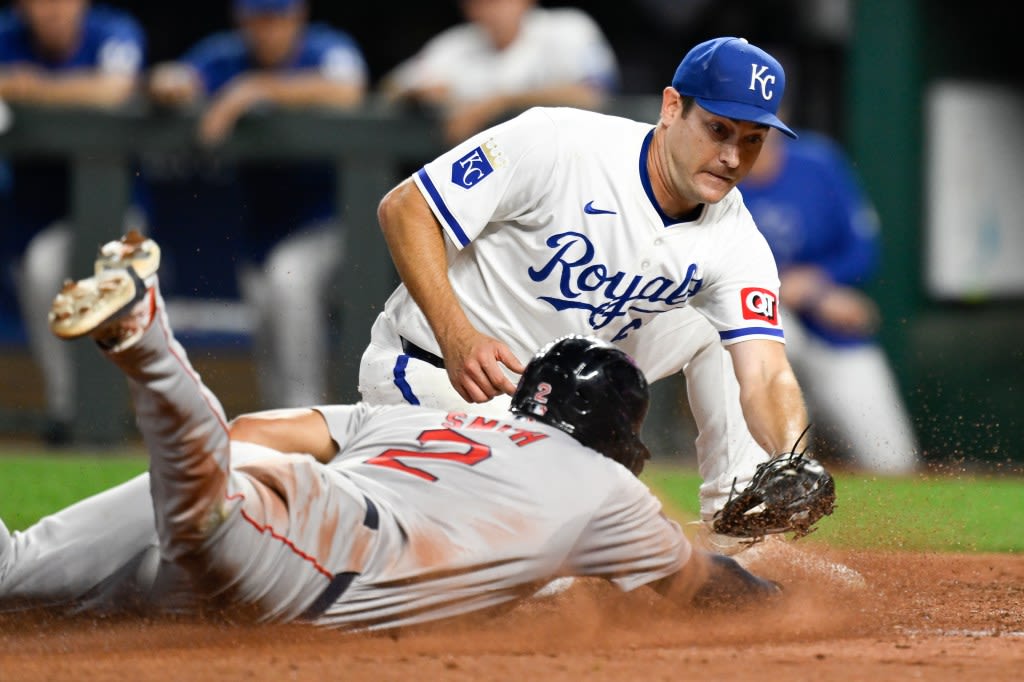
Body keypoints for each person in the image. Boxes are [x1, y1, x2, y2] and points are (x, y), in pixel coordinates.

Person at [0, 232, 780, 627]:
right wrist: (787, 594)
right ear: (615, 437)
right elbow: (703, 585)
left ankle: (190, 484)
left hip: (266, 492)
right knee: (207, 529)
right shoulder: (608, 489)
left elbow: (258, 429)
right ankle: (147, 339)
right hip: (315, 551)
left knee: (22, 572)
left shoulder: (424, 422)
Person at [359, 36, 815, 547]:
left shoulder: (736, 239)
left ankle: (738, 529)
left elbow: (766, 372)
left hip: (556, 407)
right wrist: (456, 334)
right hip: (437, 374)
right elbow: (405, 207)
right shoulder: (559, 142)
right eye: (717, 129)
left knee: (724, 326)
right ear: (671, 108)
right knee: (544, 565)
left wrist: (789, 460)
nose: (731, 156)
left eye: (752, 139)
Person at [145, 0, 367, 408]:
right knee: (267, 315)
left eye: (277, 18)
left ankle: (306, 414)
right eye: (259, 18)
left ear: (298, 16)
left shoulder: (325, 49)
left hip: (331, 219)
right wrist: (168, 82)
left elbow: (348, 89)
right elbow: (176, 78)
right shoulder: (225, 55)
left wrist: (253, 89)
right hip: (263, 225)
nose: (268, 29)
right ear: (242, 19)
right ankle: (282, 420)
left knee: (290, 282)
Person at [737, 122, 920, 475]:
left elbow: (862, 250)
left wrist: (817, 285)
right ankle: (781, 467)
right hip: (762, 323)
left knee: (893, 461)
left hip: (830, 328)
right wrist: (784, 287)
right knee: (766, 333)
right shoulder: (716, 174)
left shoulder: (817, 163)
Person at [0, 0, 145, 444]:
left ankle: (149, 413)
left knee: (134, 304)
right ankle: (69, 411)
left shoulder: (112, 28)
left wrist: (32, 88)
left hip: (116, 209)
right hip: (39, 213)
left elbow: (114, 89)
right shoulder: (8, 35)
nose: (51, 10)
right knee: (43, 266)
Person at [380, 0, 618, 144]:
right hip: (488, 182)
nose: (487, 9)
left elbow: (592, 94)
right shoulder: (455, 44)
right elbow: (390, 88)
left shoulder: (567, 28)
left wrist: (498, 102)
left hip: (564, 172)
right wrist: (419, 94)